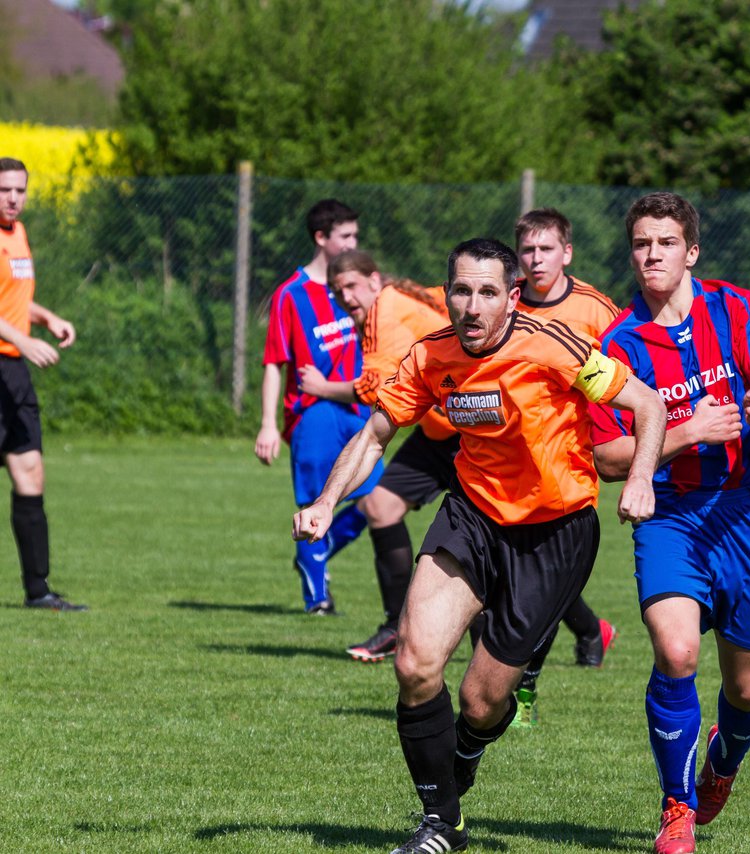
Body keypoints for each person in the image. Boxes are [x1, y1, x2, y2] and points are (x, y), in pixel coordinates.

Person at [293, 237, 664, 854]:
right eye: (461, 290)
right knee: (414, 664)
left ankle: (463, 750)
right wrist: (327, 502)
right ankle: (442, 823)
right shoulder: (431, 356)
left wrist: (644, 478)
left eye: (487, 292)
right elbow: (375, 434)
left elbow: (646, 404)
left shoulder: (555, 347)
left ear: (512, 299)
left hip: (556, 531)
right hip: (473, 517)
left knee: (483, 701)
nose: (471, 305)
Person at [590, 192, 750, 854]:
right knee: (677, 652)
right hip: (669, 515)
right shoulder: (617, 344)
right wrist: (686, 431)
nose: (652, 254)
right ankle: (677, 807)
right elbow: (608, 457)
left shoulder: (736, 309)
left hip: (744, 511)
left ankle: (722, 765)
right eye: (642, 244)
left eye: (666, 242)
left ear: (691, 251)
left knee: (746, 685)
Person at [298, 249, 451, 661]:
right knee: (380, 505)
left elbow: (375, 387)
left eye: (351, 285)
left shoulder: (386, 308)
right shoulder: (399, 299)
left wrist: (320, 387)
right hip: (441, 431)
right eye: (337, 290)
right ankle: (395, 627)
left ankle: (581, 629)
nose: (345, 296)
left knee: (500, 542)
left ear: (373, 279)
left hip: (471, 434)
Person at [508, 207, 621, 725]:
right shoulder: (502, 304)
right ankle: (592, 630)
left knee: (539, 587)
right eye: (527, 250)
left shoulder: (597, 310)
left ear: (566, 253)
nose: (535, 260)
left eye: (545, 249)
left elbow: (629, 379)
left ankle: (521, 694)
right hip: (507, 465)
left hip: (568, 468)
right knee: (520, 584)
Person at [255, 199, 380, 614]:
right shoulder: (291, 295)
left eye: (356, 236)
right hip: (311, 413)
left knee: (379, 497)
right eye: (345, 236)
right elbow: (275, 363)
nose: (353, 243)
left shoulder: (358, 288)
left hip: (357, 408)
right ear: (321, 238)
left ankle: (317, 552)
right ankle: (317, 599)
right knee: (312, 501)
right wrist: (268, 425)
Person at [0, 158, 84, 611]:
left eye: (19, 190)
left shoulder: (18, 233)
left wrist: (46, 318)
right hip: (8, 356)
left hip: (12, 370)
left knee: (30, 472)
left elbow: (13, 301)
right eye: (3, 190)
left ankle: (39, 591)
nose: (12, 198)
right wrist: (21, 340)